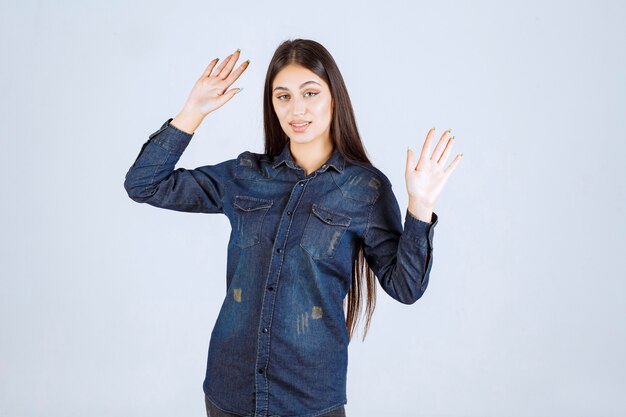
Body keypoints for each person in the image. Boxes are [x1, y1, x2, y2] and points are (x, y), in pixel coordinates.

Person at [124, 38, 462, 417]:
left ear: (334, 98)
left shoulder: (365, 189)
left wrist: (421, 205)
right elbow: (144, 184)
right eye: (282, 96)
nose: (296, 109)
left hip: (310, 398)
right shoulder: (246, 175)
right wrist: (192, 112)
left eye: (310, 93)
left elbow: (406, 287)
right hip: (230, 390)